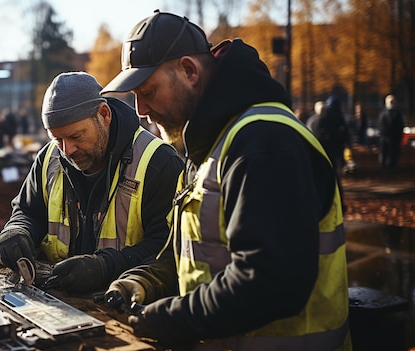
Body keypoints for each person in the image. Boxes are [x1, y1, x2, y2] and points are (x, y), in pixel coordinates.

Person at [101, 10, 351, 350]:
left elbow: (269, 283)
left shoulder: (265, 145)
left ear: (189, 71)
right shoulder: (210, 144)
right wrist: (145, 281)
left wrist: (169, 319)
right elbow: (199, 256)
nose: (141, 109)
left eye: (148, 91)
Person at [0, 72, 184, 294]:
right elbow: (28, 211)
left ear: (104, 114)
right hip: (61, 301)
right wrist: (17, 231)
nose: (67, 150)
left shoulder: (158, 163)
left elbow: (167, 249)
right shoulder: (49, 158)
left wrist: (106, 267)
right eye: (57, 139)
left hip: (126, 306)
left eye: (76, 136)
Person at [316, 95, 350, 174]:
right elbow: (344, 130)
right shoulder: (338, 115)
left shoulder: (324, 116)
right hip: (336, 144)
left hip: (329, 144)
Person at [378, 94, 404, 168]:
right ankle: (384, 166)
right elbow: (381, 125)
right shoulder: (383, 113)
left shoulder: (397, 113)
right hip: (386, 136)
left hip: (393, 137)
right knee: (385, 152)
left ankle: (391, 165)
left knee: (393, 153)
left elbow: (400, 125)